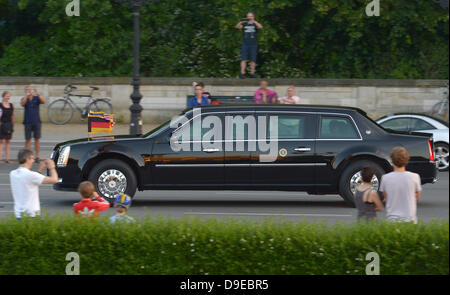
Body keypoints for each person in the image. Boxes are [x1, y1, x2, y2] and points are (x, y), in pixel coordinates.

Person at [9, 149, 59, 220]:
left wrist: (40, 169)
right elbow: (54, 180)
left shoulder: (13, 173)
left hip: (18, 214)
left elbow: (31, 181)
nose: (33, 161)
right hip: (31, 215)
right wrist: (52, 167)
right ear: (27, 159)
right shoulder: (31, 175)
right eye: (32, 158)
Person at [379, 147, 422, 224]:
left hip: (392, 220)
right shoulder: (415, 177)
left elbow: (386, 197)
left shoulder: (385, 178)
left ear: (392, 161)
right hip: (410, 220)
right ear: (407, 160)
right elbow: (417, 198)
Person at [21, 86, 45, 162]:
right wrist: (26, 96)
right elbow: (22, 104)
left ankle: (37, 156)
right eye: (27, 90)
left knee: (37, 139)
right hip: (27, 122)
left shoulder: (36, 98)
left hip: (37, 121)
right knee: (28, 139)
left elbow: (43, 101)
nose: (29, 91)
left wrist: (38, 94)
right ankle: (28, 157)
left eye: (30, 89)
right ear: (25, 91)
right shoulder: (24, 98)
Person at [235, 12, 263, 78]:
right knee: (243, 59)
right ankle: (242, 73)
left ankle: (252, 73)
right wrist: (241, 21)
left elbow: (260, 27)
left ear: (253, 17)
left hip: (253, 44)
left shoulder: (255, 24)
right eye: (248, 16)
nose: (249, 17)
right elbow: (237, 27)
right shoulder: (244, 24)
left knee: (253, 60)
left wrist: (254, 22)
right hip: (245, 44)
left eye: (251, 16)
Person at [0, 91, 15, 163]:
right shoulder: (0, 105)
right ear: (3, 96)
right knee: (1, 141)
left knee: (8, 142)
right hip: (2, 125)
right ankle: (0, 158)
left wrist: (13, 124)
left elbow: (12, 115)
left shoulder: (11, 105)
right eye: (6, 96)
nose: (8, 97)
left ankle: (7, 159)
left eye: (9, 96)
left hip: (9, 125)